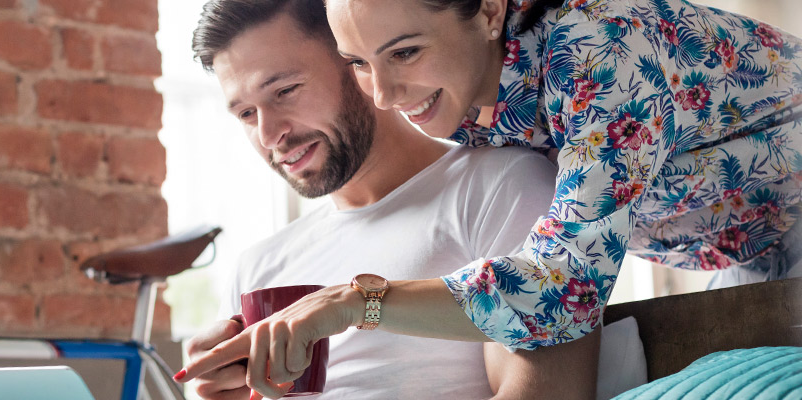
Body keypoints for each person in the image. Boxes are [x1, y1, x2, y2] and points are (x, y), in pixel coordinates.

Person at [182, 0, 802, 397]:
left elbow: (562, 291)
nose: (385, 94)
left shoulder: (596, 57)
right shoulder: (467, 108)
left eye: (403, 52)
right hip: (750, 248)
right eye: (361, 63)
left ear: (489, 11)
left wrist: (355, 302)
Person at [179, 0, 600, 398]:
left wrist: (364, 303)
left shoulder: (500, 187)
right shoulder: (257, 269)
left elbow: (548, 392)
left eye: (285, 91)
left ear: (355, 59)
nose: (269, 135)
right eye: (246, 114)